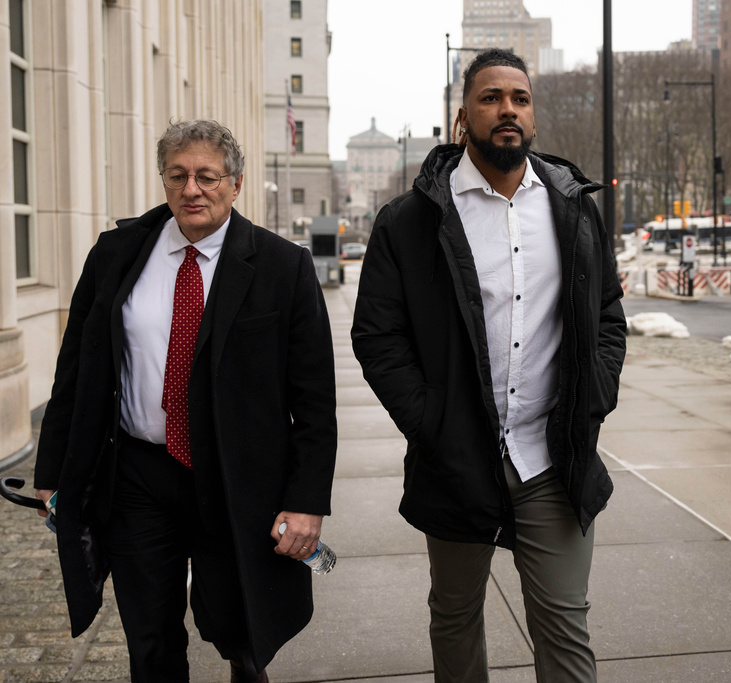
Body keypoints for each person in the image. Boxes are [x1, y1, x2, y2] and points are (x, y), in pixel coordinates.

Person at [351, 48, 626, 682]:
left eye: (520, 99)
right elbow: (378, 337)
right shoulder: (412, 220)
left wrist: (593, 397)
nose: (507, 110)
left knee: (565, 621)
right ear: (463, 116)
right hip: (455, 457)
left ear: (532, 115)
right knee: (454, 612)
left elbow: (607, 316)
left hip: (552, 458)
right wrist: (432, 423)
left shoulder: (574, 208)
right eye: (491, 98)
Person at [33, 120, 337, 682]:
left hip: (234, 481)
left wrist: (307, 502)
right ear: (164, 180)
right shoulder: (116, 255)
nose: (191, 189)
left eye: (206, 176)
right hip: (138, 477)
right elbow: (75, 370)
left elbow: (314, 400)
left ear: (235, 184)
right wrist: (52, 471)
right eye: (178, 176)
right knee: (149, 638)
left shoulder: (280, 267)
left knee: (240, 634)